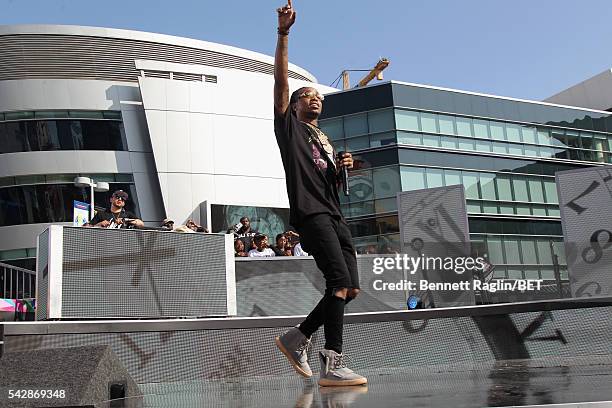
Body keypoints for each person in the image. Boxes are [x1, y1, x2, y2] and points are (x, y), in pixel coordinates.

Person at [272, 0, 366, 387]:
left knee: (352, 289)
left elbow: (331, 180)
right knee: (338, 284)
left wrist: (343, 165)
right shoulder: (289, 129)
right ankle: (333, 364)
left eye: (320, 98)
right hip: (312, 215)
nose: (317, 99)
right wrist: (283, 34)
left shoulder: (323, 140)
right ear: (295, 106)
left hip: (335, 214)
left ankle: (297, 338)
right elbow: (279, 83)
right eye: (308, 95)